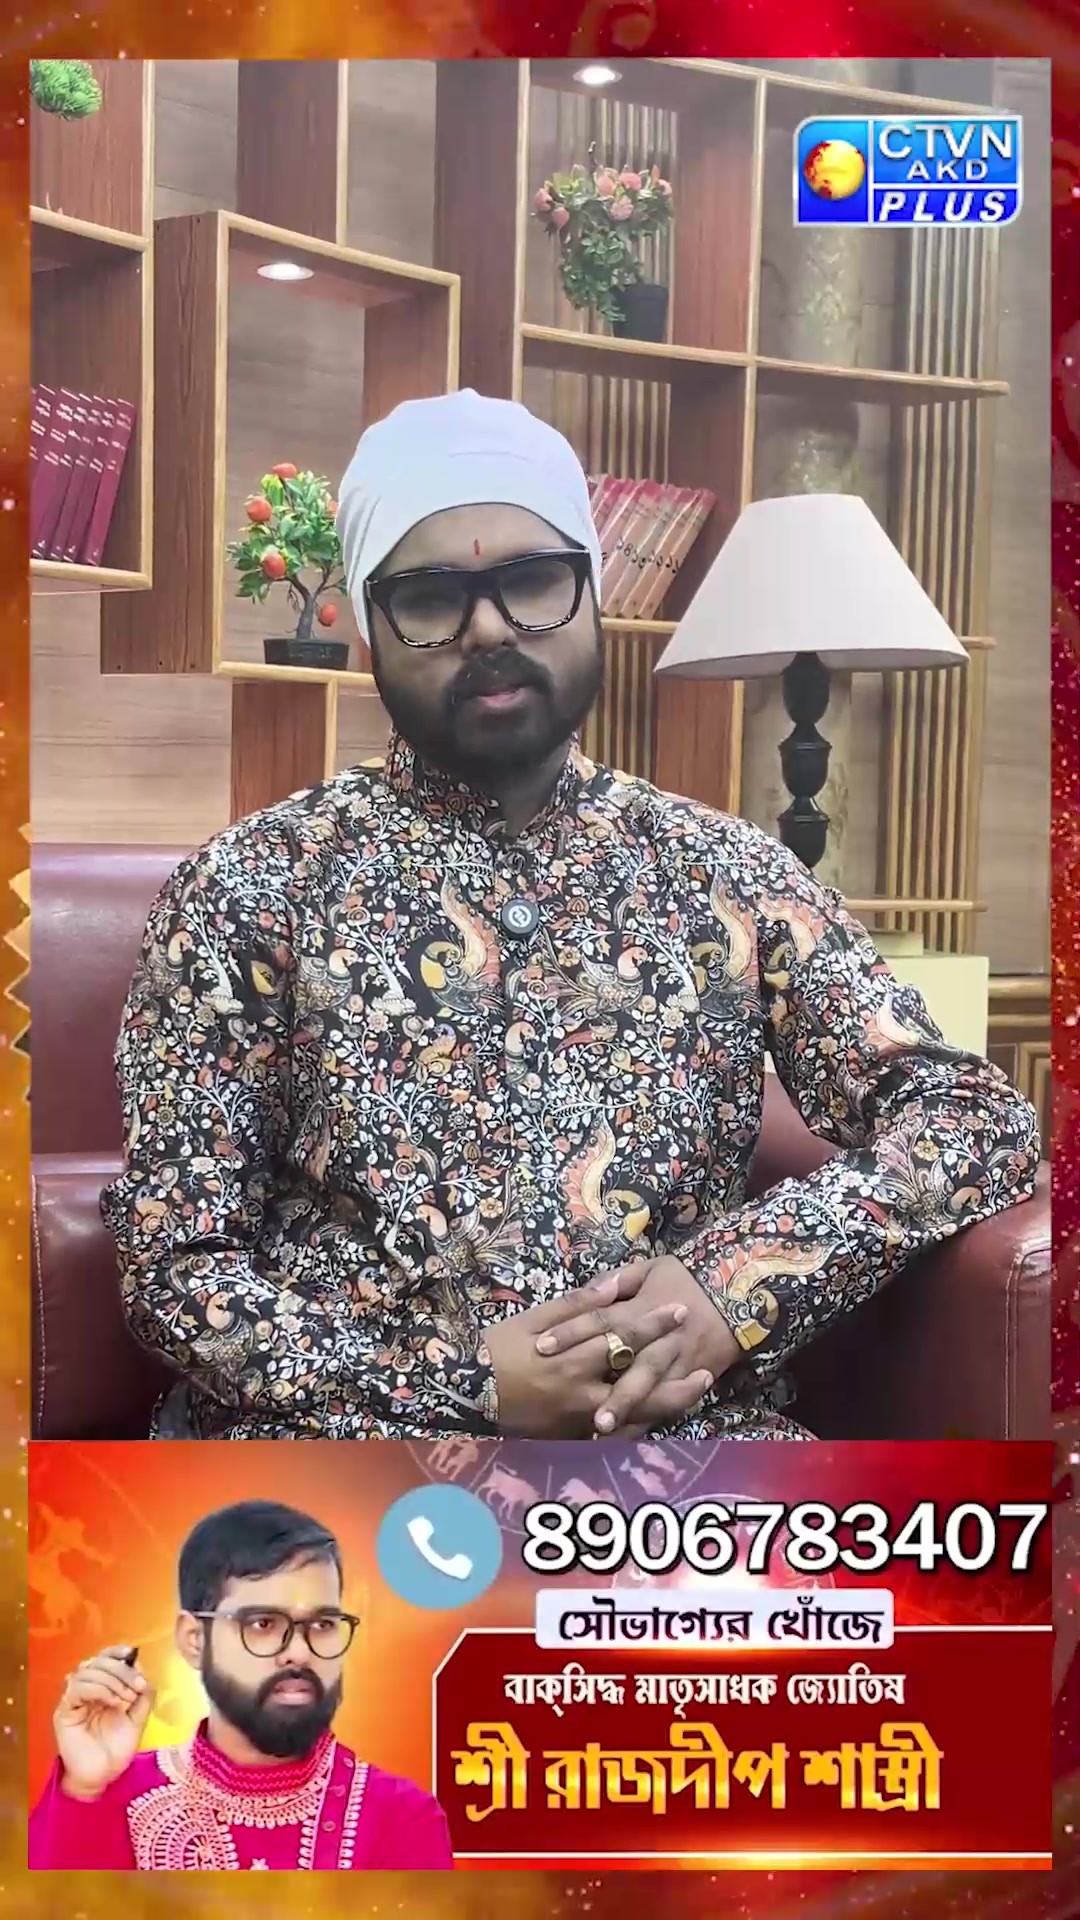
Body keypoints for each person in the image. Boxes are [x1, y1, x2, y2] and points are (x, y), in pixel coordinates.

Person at [102, 388, 1040, 1443]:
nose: (489, 627)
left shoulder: (726, 872)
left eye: (533, 580)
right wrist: (463, 1386)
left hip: (682, 1461)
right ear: (368, 632)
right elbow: (173, 1266)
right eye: (429, 597)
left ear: (592, 595)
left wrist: (741, 1279)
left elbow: (973, 1119)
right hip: (347, 1460)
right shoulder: (250, 886)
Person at [28, 1500, 453, 1870]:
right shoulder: (107, 1792)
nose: (299, 1653)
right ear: (194, 1640)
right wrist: (84, 1791)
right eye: (263, 1624)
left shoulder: (400, 1819)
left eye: (322, 1624)